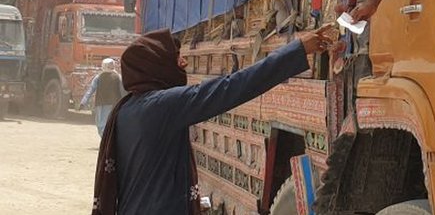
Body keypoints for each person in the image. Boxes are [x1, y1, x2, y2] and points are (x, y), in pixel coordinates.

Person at [91, 25, 334, 215]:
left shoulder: (126, 110)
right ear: (155, 65)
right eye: (177, 58)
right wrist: (298, 50)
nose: (184, 63)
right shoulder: (162, 106)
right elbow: (233, 87)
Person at [80, 58, 125, 137]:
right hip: (109, 104)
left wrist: (83, 102)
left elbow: (90, 90)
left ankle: (106, 142)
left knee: (101, 125)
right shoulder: (118, 77)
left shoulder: (99, 77)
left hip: (102, 104)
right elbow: (122, 92)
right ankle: (106, 141)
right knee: (103, 125)